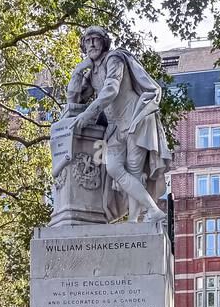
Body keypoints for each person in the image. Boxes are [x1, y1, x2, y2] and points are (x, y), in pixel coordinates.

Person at [63, 26, 172, 223]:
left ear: (104, 42)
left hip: (135, 119)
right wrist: (78, 71)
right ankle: (152, 210)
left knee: (133, 171)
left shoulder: (114, 59)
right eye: (88, 41)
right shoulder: (92, 71)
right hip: (114, 127)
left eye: (96, 39)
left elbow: (111, 89)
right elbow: (75, 97)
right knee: (113, 168)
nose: (92, 44)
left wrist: (89, 114)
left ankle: (135, 219)